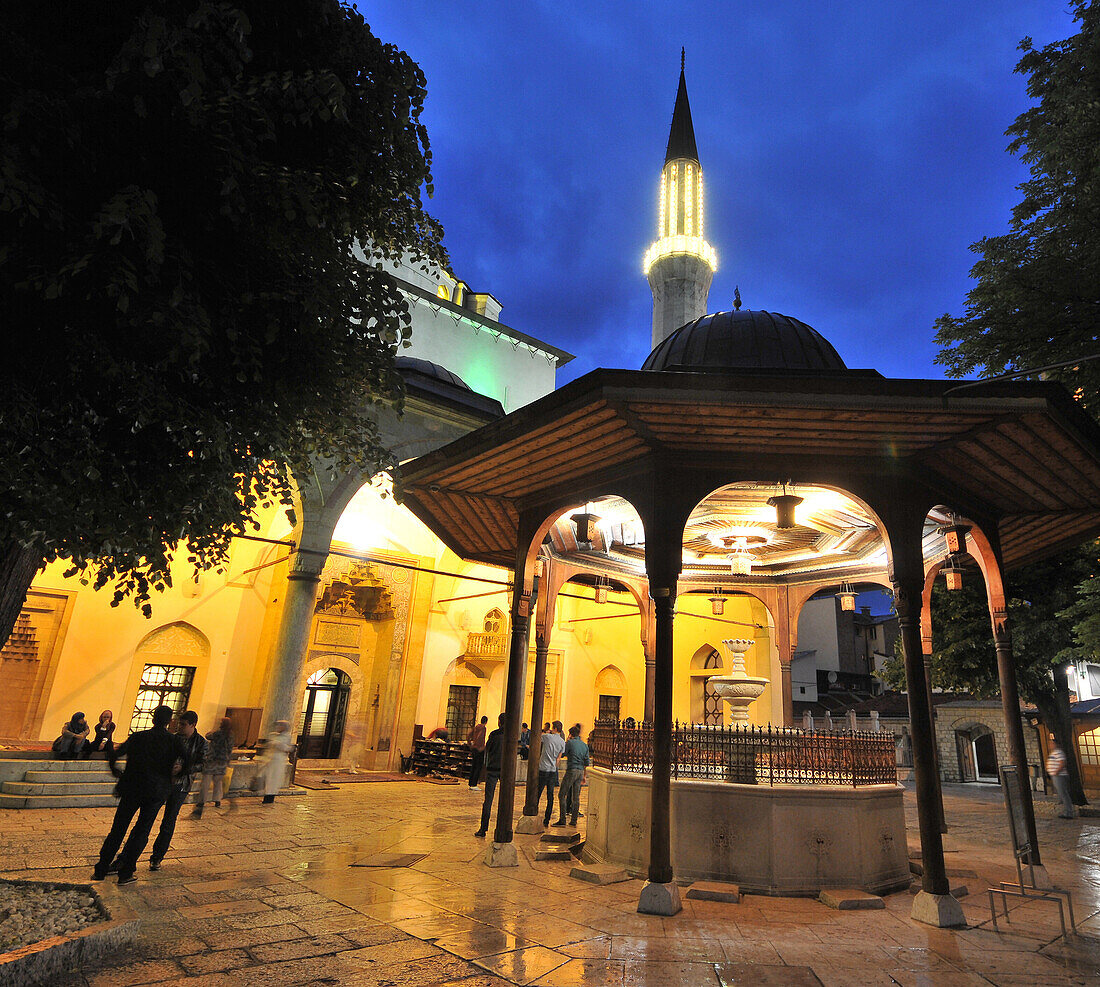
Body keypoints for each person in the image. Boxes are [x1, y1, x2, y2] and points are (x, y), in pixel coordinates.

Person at [93, 705, 187, 885]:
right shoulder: (173, 741)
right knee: (141, 831)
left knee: (118, 829)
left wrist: (115, 770)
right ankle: (126, 872)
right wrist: (177, 774)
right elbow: (188, 761)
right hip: (156, 791)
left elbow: (114, 753)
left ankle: (101, 869)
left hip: (132, 787)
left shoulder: (138, 737)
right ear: (169, 722)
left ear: (153, 719)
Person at [148, 710, 206, 871]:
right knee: (149, 815)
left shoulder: (201, 743)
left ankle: (157, 857)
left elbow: (205, 763)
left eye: (183, 724)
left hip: (182, 785)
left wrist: (185, 768)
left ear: (193, 725)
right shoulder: (172, 738)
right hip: (165, 781)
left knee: (169, 820)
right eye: (179, 723)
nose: (180, 727)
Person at [194, 717, 234, 817]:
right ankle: (217, 800)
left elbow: (208, 736)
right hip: (222, 761)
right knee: (218, 782)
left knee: (206, 781)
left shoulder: (218, 733)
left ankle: (202, 801)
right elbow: (230, 748)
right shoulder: (230, 734)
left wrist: (212, 729)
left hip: (212, 760)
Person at [474, 714, 505, 838]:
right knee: (505, 800)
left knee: (488, 800)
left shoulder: (494, 734)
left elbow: (488, 749)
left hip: (492, 768)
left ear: (499, 722)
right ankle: (502, 828)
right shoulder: (511, 734)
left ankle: (483, 829)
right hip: (505, 770)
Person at [555, 723, 590, 828]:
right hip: (580, 772)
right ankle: (573, 820)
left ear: (570, 734)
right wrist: (584, 776)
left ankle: (562, 819)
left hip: (572, 770)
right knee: (576, 797)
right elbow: (586, 762)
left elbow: (564, 753)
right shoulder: (584, 745)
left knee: (562, 794)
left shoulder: (570, 743)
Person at [536, 720, 566, 827]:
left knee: (538, 792)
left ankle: (534, 812)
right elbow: (559, 758)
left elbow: (538, 736)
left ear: (555, 729)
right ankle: (546, 819)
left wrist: (546, 731)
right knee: (550, 795)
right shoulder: (562, 742)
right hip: (553, 770)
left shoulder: (548, 737)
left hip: (543, 768)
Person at [259, 720, 295, 804]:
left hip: (278, 762)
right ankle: (266, 795)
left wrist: (278, 744)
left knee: (273, 780)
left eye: (281, 726)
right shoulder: (273, 735)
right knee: (267, 779)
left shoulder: (287, 737)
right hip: (269, 760)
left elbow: (288, 748)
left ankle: (269, 798)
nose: (278, 727)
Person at [1047, 736, 1075, 819]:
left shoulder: (1058, 752)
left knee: (1063, 793)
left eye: (1052, 743)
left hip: (1059, 776)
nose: (1050, 745)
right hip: (1055, 775)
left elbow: (1062, 763)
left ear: (1056, 744)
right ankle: (1064, 810)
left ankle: (1069, 812)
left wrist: (1056, 772)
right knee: (1061, 794)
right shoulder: (1054, 752)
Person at [467, 715, 488, 788]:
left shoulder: (476, 727)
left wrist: (470, 744)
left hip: (474, 749)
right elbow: (480, 737)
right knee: (478, 767)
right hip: (479, 749)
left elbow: (468, 735)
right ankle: (474, 784)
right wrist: (481, 747)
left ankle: (471, 782)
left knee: (474, 765)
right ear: (486, 722)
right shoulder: (483, 728)